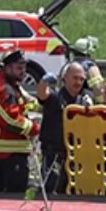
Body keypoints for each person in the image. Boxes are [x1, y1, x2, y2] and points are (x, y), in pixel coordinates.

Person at [0, 49, 40, 193]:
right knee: (14, 198)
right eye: (18, 68)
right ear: (7, 68)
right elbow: (11, 120)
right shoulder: (5, 89)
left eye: (24, 68)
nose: (23, 72)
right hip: (10, 151)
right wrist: (34, 128)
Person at [38, 62, 93, 193]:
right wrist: (44, 82)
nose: (78, 82)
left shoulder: (83, 102)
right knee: (51, 190)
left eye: (81, 79)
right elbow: (42, 94)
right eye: (75, 78)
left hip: (75, 156)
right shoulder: (56, 97)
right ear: (65, 78)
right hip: (54, 156)